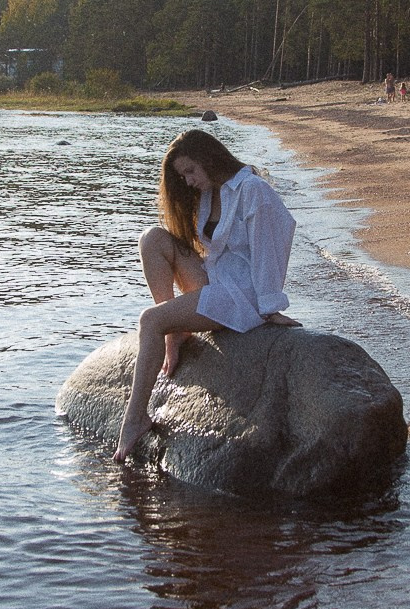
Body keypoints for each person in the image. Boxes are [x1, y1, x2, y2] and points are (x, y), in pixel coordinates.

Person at [112, 128, 299, 462]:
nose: (187, 181)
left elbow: (269, 251)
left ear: (210, 160)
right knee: (152, 238)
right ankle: (179, 328)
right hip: (216, 278)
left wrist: (270, 307)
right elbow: (212, 250)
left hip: (242, 295)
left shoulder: (254, 191)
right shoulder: (214, 192)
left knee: (151, 321)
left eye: (190, 171)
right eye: (183, 175)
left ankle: (135, 416)